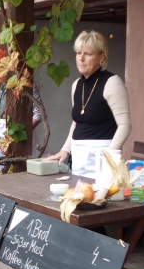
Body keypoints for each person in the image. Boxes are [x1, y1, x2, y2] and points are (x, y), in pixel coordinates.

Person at [46, 30, 131, 178]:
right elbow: (77, 122)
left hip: (104, 156)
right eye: (79, 53)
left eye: (88, 54)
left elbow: (125, 125)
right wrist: (65, 150)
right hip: (79, 157)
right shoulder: (76, 85)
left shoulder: (112, 83)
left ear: (101, 57)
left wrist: (110, 157)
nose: (81, 59)